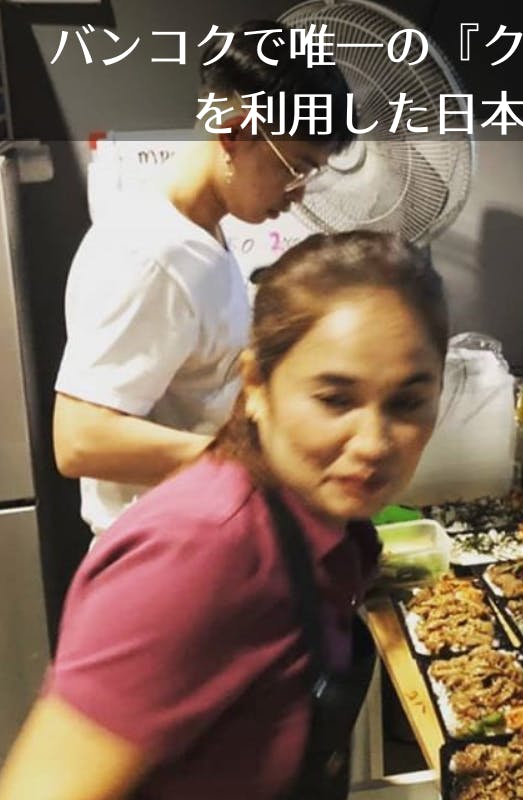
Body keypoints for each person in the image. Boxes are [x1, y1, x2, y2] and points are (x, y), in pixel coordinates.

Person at [0, 231, 448, 800]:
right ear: (255, 385)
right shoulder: (199, 553)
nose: (374, 443)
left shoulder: (321, 516)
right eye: (335, 400)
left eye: (407, 402)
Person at [53, 20, 356, 534]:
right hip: (162, 548)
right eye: (295, 167)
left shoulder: (200, 230)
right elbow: (81, 439)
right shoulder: (150, 251)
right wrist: (254, 465)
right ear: (234, 132)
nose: (299, 192)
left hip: (206, 529)